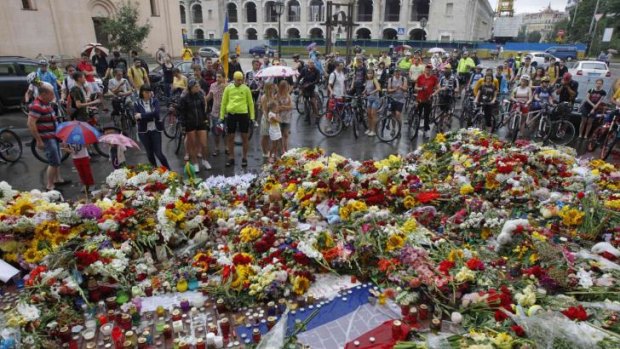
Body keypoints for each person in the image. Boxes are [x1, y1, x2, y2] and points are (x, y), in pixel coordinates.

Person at [27, 84, 69, 191]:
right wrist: (38, 140)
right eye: (51, 94)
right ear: (43, 94)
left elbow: (54, 121)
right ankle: (50, 185)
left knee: (57, 158)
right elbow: (31, 124)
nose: (54, 96)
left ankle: (57, 179)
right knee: (53, 161)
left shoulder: (47, 104)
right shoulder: (36, 106)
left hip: (53, 136)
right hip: (46, 137)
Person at [220, 71, 255, 167]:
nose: (240, 82)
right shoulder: (228, 88)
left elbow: (250, 103)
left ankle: (244, 157)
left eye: (241, 80)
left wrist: (252, 117)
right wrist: (221, 116)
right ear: (234, 79)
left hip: (243, 114)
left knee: (245, 137)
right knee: (230, 137)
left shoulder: (246, 88)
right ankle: (231, 157)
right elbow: (223, 103)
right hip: (232, 114)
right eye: (238, 80)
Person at [178, 79, 211, 172]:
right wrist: (183, 125)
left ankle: (204, 160)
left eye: (198, 86)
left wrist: (206, 120)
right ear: (191, 88)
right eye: (196, 86)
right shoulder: (184, 98)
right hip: (190, 123)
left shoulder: (200, 96)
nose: (198, 88)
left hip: (201, 122)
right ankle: (195, 163)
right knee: (192, 145)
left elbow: (204, 109)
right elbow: (182, 113)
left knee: (204, 144)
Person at [134, 84, 170, 169]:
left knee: (159, 153)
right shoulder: (137, 103)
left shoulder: (155, 101)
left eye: (150, 92)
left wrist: (142, 115)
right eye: (146, 92)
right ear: (142, 93)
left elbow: (156, 114)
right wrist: (150, 116)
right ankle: (155, 170)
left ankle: (168, 169)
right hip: (143, 132)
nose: (149, 94)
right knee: (149, 153)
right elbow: (137, 118)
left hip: (155, 129)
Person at [206, 71, 227, 157]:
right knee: (217, 131)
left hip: (225, 113)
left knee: (225, 131)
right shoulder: (213, 85)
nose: (217, 79)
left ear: (223, 78)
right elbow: (209, 97)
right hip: (215, 113)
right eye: (217, 77)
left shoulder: (227, 86)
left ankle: (226, 148)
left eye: (219, 77)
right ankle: (217, 148)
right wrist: (203, 100)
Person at [416, 64, 439, 138]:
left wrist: (433, 94)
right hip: (420, 98)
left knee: (426, 116)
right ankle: (416, 128)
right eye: (427, 69)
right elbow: (415, 87)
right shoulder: (420, 77)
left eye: (429, 69)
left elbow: (438, 88)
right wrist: (421, 88)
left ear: (431, 70)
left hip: (428, 100)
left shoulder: (434, 78)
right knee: (418, 115)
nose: (428, 70)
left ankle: (426, 130)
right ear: (425, 69)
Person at [258, 82, 277, 158]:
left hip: (272, 116)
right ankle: (264, 151)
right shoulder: (264, 97)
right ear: (266, 89)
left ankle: (268, 150)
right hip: (266, 118)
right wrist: (268, 119)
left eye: (272, 88)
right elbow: (264, 110)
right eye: (270, 88)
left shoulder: (272, 96)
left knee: (269, 136)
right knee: (265, 136)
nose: (272, 89)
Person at [276, 80, 293, 152]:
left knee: (286, 134)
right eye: (284, 88)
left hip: (287, 118)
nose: (285, 89)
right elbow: (276, 108)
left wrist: (283, 107)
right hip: (279, 118)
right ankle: (281, 148)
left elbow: (291, 106)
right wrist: (282, 108)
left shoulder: (288, 96)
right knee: (280, 134)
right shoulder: (277, 96)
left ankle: (285, 148)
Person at [364, 69, 381, 137]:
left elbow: (378, 88)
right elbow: (366, 88)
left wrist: (370, 93)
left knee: (373, 115)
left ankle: (373, 131)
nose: (369, 74)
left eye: (371, 73)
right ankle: (369, 129)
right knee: (368, 115)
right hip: (369, 99)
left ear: (373, 74)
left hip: (375, 100)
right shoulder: (367, 80)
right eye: (368, 73)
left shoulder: (375, 80)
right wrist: (364, 92)